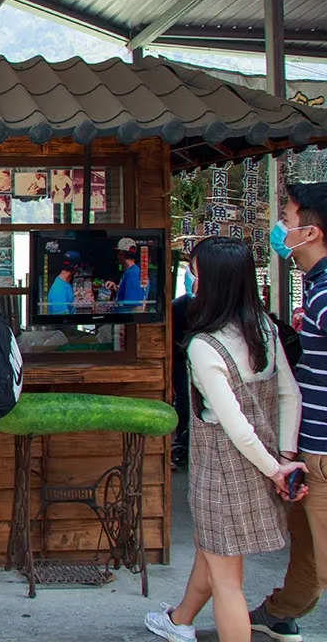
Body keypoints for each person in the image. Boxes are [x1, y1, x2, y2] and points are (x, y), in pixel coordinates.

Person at [145, 237, 305, 642]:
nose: (191, 282)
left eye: (195, 274)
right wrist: (282, 460)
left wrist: (276, 471)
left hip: (223, 470)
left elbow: (232, 425)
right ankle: (179, 620)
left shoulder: (204, 345)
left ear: (211, 282)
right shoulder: (266, 328)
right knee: (211, 550)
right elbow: (290, 393)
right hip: (266, 461)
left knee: (227, 579)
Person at [251, 181, 327, 642]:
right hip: (309, 451)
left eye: (289, 217)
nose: (282, 227)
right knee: (308, 554)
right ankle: (277, 614)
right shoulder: (316, 287)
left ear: (312, 232)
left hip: (322, 452)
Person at [171, 265, 194, 470]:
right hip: (181, 362)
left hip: (196, 363)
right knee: (185, 401)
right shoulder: (177, 307)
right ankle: (183, 442)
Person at [116, 238, 147, 311]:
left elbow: (132, 304)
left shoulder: (133, 274)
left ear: (121, 253)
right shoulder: (133, 271)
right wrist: (117, 288)